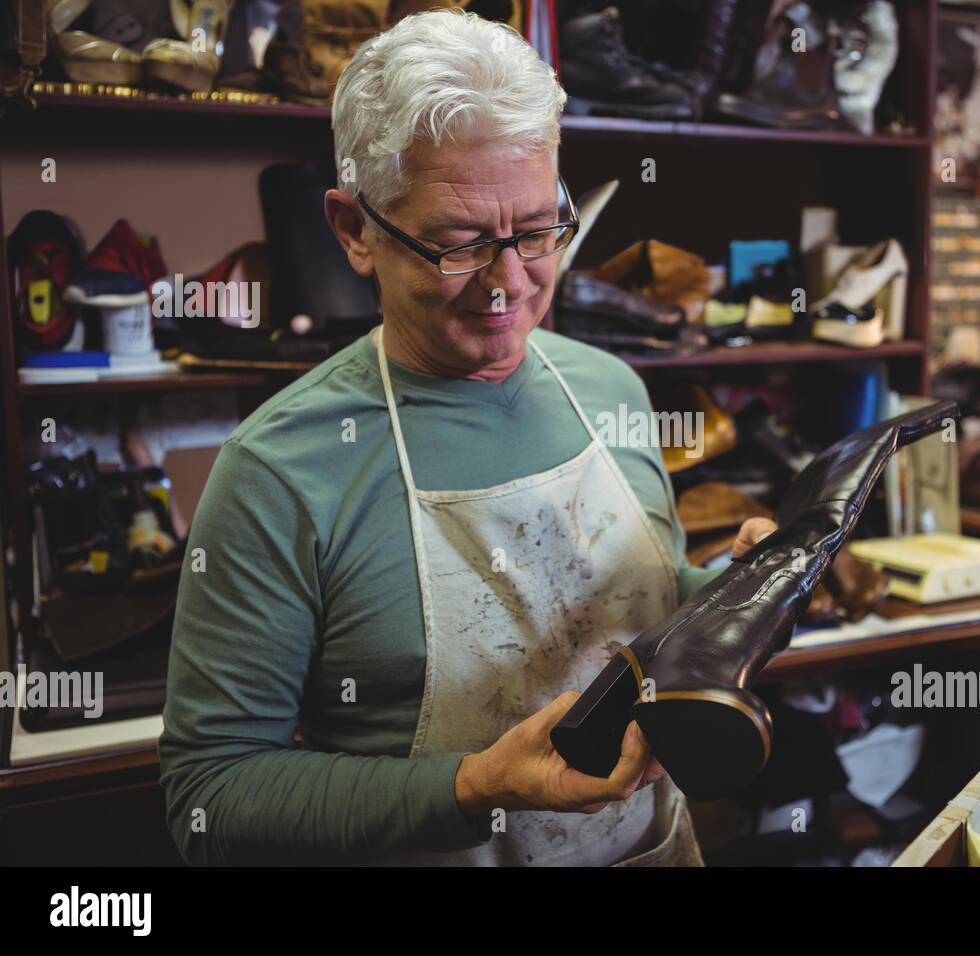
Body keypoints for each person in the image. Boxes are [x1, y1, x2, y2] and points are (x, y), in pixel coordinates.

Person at [158, 8, 776, 866]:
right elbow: (210, 801)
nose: (508, 283)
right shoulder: (278, 473)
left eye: (535, 231)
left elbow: (640, 606)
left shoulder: (612, 389)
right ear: (354, 231)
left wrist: (750, 592)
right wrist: (475, 787)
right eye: (457, 245)